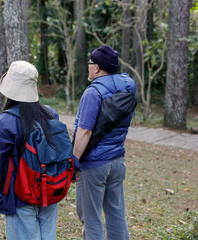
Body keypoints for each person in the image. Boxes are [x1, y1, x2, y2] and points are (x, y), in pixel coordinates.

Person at [0, 61, 74, 240]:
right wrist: (76, 170)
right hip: (49, 189)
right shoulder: (50, 114)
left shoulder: (5, 122)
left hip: (19, 195)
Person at [72, 45, 135, 240]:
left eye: (90, 64)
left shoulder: (93, 92)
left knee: (91, 220)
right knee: (117, 215)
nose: (88, 67)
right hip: (117, 161)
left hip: (94, 165)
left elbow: (85, 131)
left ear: (97, 68)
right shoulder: (127, 86)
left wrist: (73, 161)